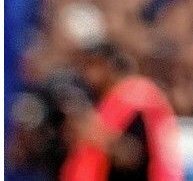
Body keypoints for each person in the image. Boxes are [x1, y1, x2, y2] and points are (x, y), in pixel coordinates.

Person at [59, 43, 183, 181]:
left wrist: (97, 137)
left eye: (93, 66)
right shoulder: (99, 100)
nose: (88, 74)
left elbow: (135, 156)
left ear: (108, 66)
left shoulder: (138, 101)